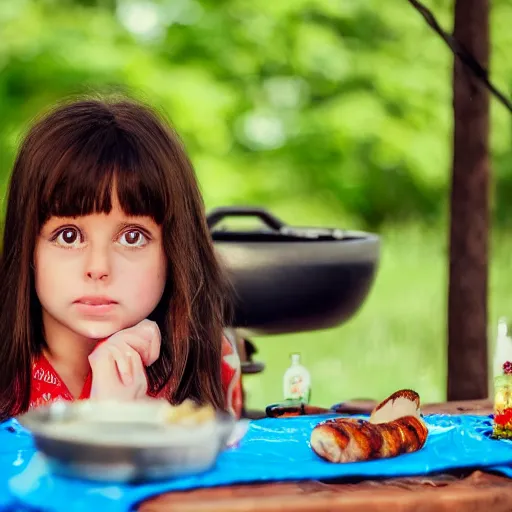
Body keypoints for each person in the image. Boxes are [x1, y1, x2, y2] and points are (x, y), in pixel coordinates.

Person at [0, 96, 243, 420]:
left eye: (132, 237)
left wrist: (141, 423)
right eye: (69, 236)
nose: (98, 268)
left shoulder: (205, 360)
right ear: (27, 245)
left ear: (174, 249)